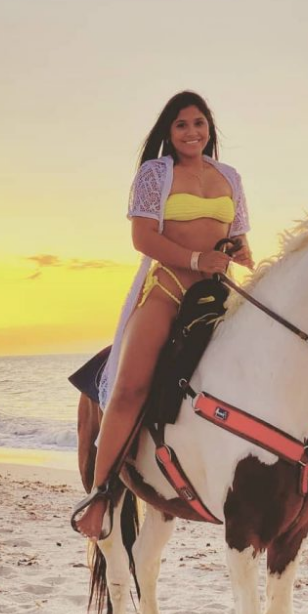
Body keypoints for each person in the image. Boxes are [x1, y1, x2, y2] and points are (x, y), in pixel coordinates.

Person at [72, 90, 253, 539]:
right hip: (169, 288)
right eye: (181, 125)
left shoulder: (229, 175)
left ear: (210, 128)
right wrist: (195, 260)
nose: (192, 132)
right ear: (168, 133)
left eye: (199, 123)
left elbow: (243, 238)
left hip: (219, 292)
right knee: (131, 387)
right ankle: (99, 495)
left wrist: (239, 252)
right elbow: (142, 238)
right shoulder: (156, 173)